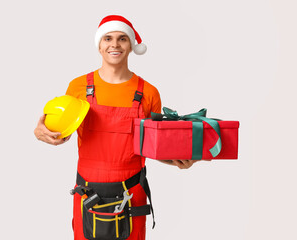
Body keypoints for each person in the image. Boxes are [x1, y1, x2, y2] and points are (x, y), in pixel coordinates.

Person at [34, 15, 198, 240]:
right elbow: (60, 131)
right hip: (87, 195)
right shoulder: (78, 87)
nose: (114, 44)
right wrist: (41, 132)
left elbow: (152, 146)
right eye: (107, 38)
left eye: (122, 39)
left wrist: (176, 162)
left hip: (131, 195)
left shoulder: (149, 93)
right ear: (99, 45)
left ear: (130, 45)